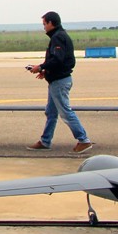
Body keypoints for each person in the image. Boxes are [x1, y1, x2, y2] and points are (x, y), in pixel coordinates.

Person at [27, 11, 93, 154]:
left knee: (65, 112)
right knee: (51, 112)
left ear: (51, 23)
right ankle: (45, 141)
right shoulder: (59, 36)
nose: (44, 27)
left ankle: (83, 140)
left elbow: (57, 59)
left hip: (59, 82)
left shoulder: (58, 37)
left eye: (44, 24)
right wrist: (46, 71)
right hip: (56, 80)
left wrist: (41, 67)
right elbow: (58, 61)